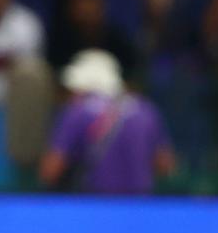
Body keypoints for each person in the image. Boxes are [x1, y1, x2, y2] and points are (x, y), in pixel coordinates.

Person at [38, 49, 176, 195]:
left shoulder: (77, 112)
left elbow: (50, 170)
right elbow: (166, 166)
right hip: (140, 205)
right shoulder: (145, 110)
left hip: (96, 206)